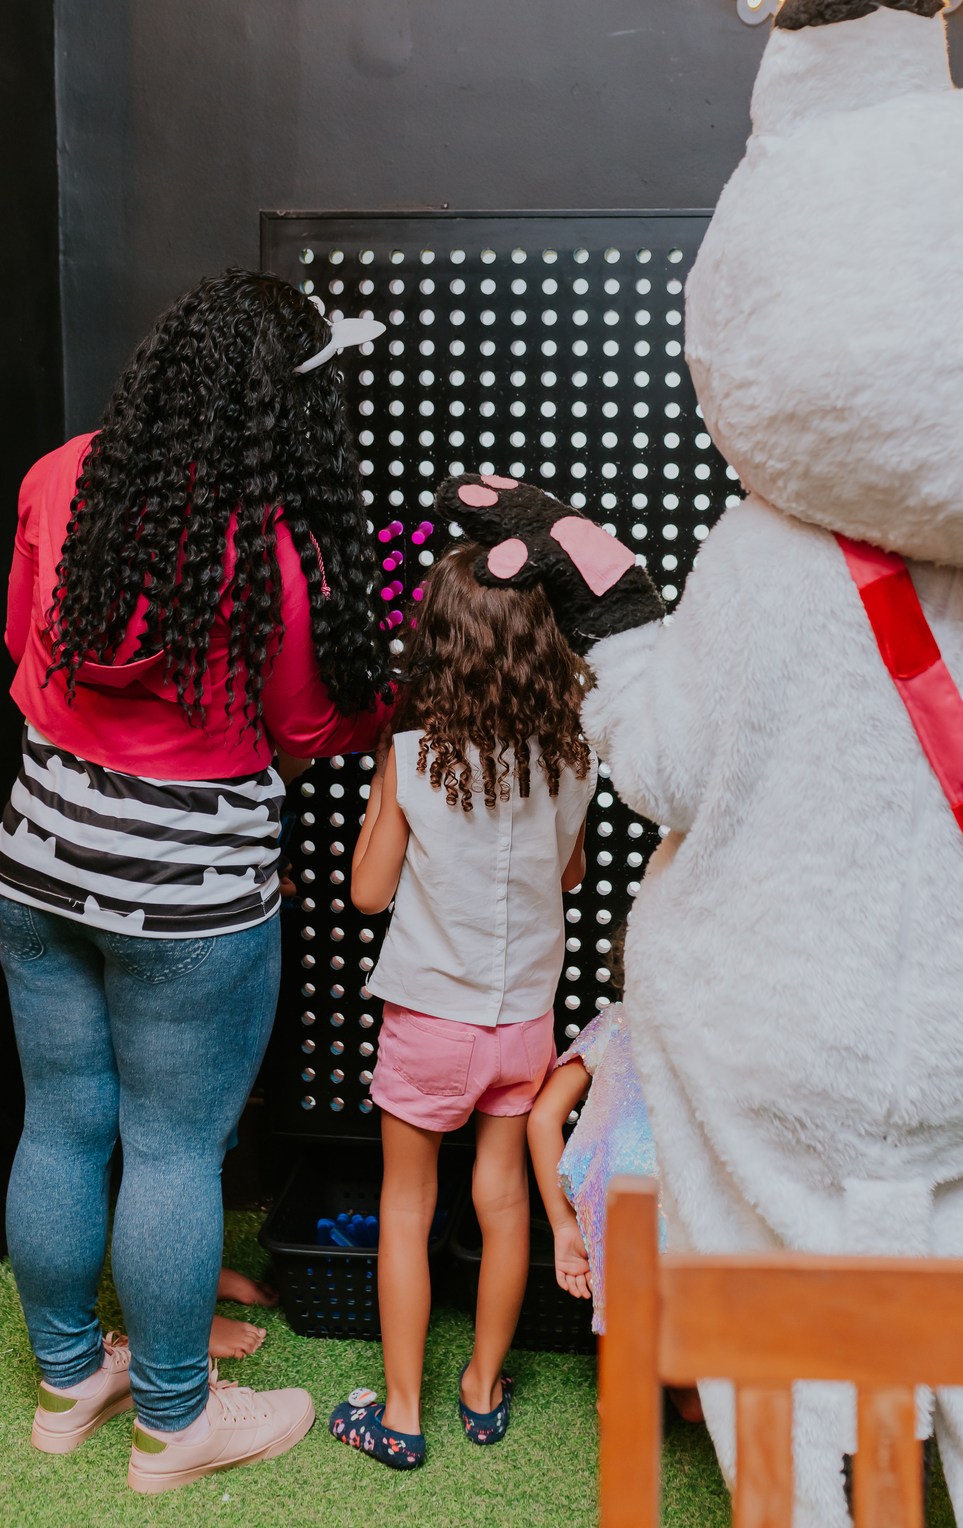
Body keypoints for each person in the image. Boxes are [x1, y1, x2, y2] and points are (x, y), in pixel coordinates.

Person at [0, 269, 392, 1494]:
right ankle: (175, 1423)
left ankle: (70, 1382)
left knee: (59, 1122)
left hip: (36, 863)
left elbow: (23, 644)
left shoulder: (61, 476)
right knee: (171, 1152)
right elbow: (311, 727)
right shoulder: (274, 550)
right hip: (188, 905)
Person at [335, 543, 594, 1468]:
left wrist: (383, 793)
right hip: (522, 1024)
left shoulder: (412, 756)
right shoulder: (571, 757)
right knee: (506, 1201)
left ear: (439, 640)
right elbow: (568, 875)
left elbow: (368, 893)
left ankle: (401, 1417)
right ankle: (483, 1391)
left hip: (429, 1024)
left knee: (407, 1208)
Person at [526, 925, 702, 1423]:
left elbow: (542, 1120)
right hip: (680, 1226)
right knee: (688, 1401)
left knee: (651, 1387)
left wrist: (563, 1224)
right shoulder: (724, 1041)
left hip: (624, 1220)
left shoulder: (617, 1022)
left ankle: (643, 1382)